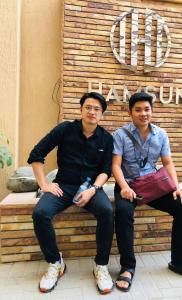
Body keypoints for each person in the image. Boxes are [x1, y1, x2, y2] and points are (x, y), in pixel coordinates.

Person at [112, 92, 182, 292]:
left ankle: (179, 262)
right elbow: (116, 166)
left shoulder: (160, 134)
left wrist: (176, 188)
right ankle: (128, 267)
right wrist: (125, 187)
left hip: (152, 185)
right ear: (130, 112)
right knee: (123, 212)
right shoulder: (119, 135)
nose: (143, 113)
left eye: (147, 109)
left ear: (152, 111)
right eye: (138, 110)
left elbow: (167, 162)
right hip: (128, 186)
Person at [28, 92, 114, 294]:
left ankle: (101, 265)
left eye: (97, 109)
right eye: (88, 107)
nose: (92, 112)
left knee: (107, 212)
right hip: (64, 186)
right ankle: (55, 263)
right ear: (81, 109)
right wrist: (44, 184)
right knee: (40, 213)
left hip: (90, 188)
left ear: (102, 114)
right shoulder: (65, 129)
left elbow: (106, 171)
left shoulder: (106, 138)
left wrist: (93, 189)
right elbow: (36, 154)